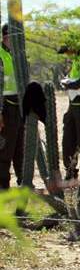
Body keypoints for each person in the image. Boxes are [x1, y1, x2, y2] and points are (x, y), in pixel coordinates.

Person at [58, 40, 80, 180]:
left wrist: (70, 85)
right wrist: (66, 81)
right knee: (68, 140)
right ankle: (71, 172)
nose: (67, 55)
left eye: (67, 51)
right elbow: (74, 78)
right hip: (72, 106)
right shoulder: (76, 60)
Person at [0, 24, 24, 190]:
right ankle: (3, 186)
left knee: (20, 149)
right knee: (5, 149)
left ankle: (24, 183)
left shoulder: (19, 55)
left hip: (21, 105)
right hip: (5, 106)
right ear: (5, 37)